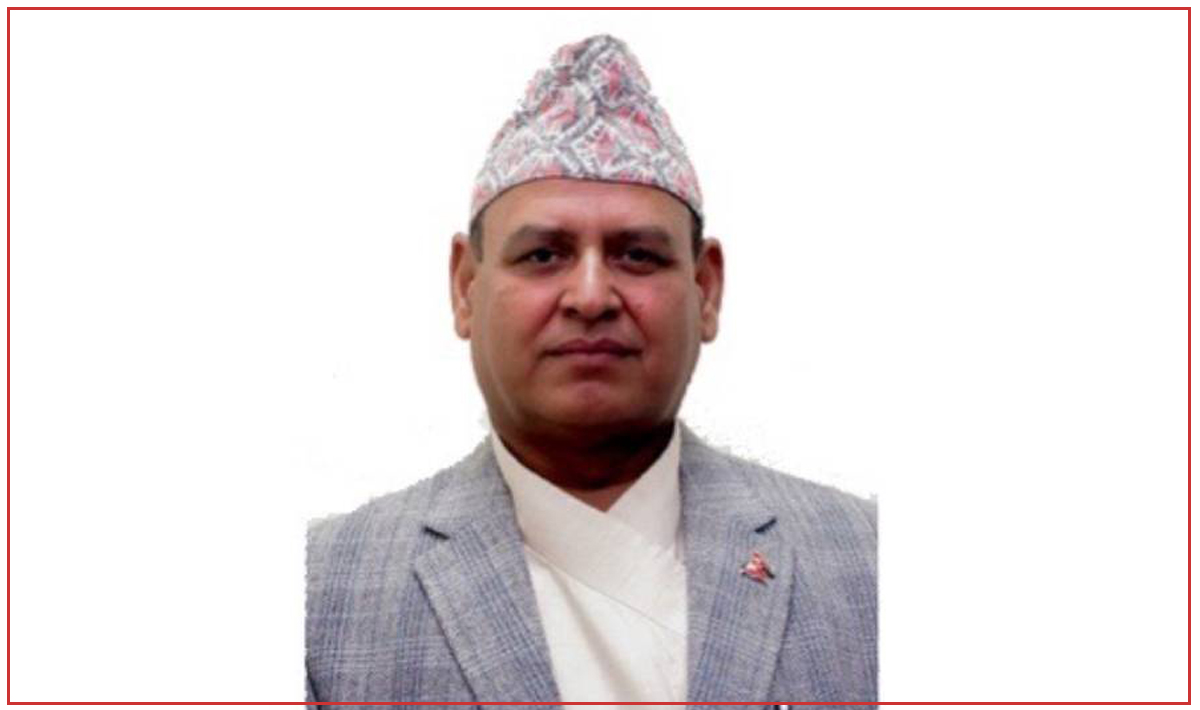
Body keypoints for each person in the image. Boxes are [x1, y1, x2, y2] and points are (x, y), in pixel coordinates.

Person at [306, 34, 877, 707]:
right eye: (544, 255)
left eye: (637, 255)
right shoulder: (316, 597)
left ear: (706, 290)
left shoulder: (871, 563)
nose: (590, 296)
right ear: (465, 287)